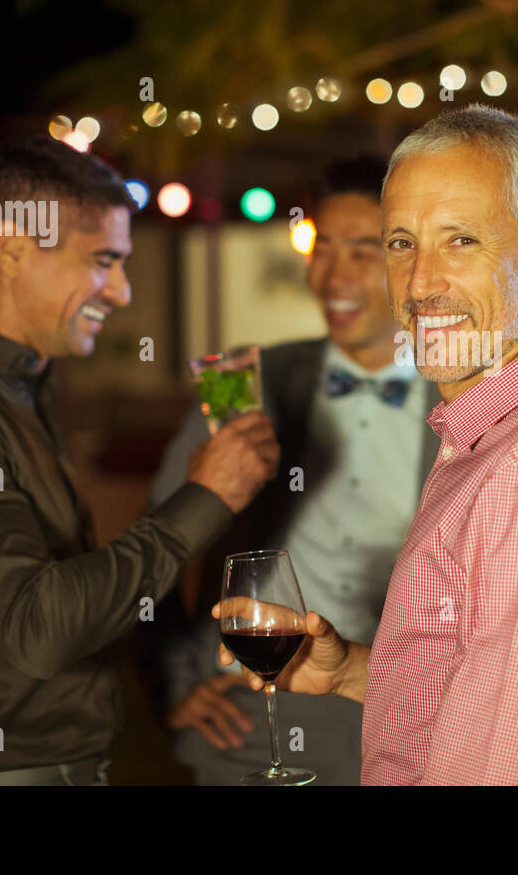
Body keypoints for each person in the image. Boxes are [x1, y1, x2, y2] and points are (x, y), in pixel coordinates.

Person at [216, 104, 518, 784]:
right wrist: (352, 671)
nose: (420, 284)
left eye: (461, 240)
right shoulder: (515, 433)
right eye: (401, 242)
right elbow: (489, 702)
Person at [0, 136, 279, 785]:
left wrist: (165, 690)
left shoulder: (14, 386)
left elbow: (59, 609)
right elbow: (38, 627)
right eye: (104, 260)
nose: (123, 291)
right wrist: (208, 495)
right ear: (14, 248)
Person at [144, 155, 440, 785]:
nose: (333, 275)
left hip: (394, 712)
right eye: (321, 248)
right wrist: (176, 684)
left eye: (363, 251)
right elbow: (158, 538)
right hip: (251, 712)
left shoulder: (465, 400)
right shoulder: (240, 380)